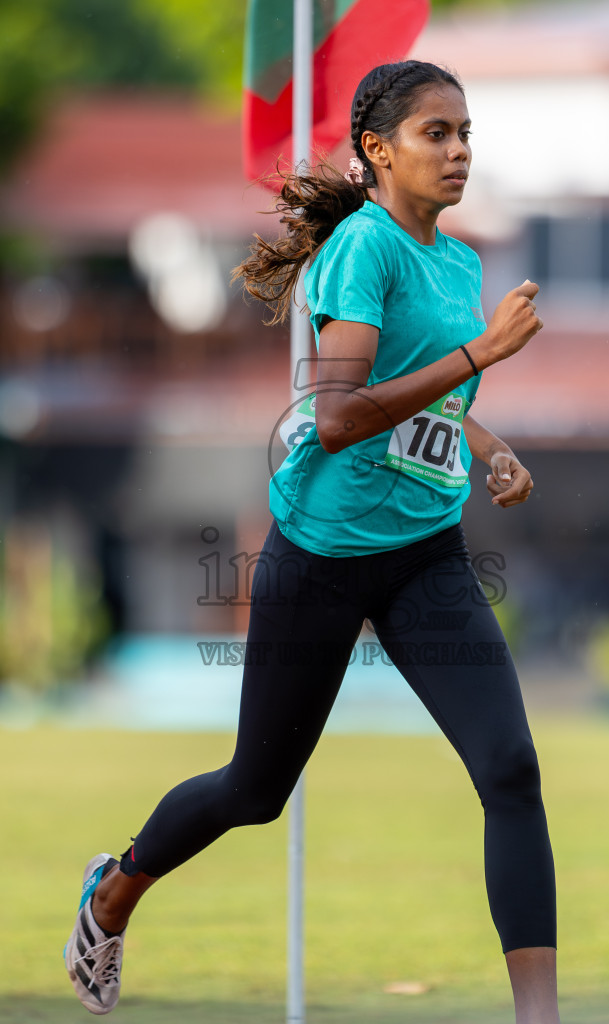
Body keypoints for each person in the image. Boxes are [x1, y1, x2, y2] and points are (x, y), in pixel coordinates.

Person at [64, 59, 558, 1024]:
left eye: (467, 135)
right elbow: (336, 419)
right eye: (437, 134)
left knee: (510, 769)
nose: (459, 153)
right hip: (322, 561)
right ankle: (116, 889)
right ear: (376, 152)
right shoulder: (361, 252)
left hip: (426, 556)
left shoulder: (459, 263)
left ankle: (538, 1017)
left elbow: (434, 398)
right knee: (256, 790)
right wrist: (483, 354)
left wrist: (489, 443)